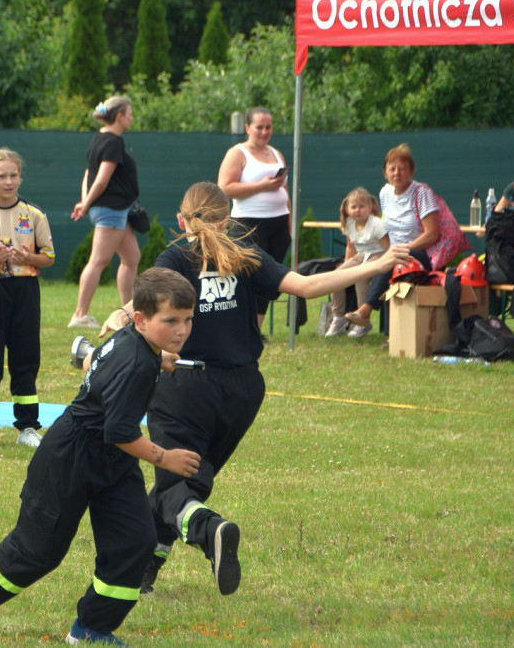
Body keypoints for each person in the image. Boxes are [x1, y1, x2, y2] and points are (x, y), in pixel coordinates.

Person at [97, 182, 409, 596]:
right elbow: (307, 286)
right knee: (190, 481)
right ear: (228, 219)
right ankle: (144, 572)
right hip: (244, 390)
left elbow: (151, 307)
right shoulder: (246, 253)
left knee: (175, 486)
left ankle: (211, 532)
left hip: (187, 383)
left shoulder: (174, 257)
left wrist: (119, 317)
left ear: (180, 221)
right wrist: (377, 264)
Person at [0, 267, 201, 646]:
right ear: (140, 319)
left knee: (135, 543)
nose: (182, 330)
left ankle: (91, 629)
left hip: (113, 464)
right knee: (40, 552)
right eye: (171, 321)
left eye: (187, 319)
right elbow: (119, 431)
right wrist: (165, 458)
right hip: (69, 458)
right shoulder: (136, 361)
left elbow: (98, 362)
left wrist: (161, 357)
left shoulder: (137, 343)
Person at [0, 149, 55, 449]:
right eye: (1, 176)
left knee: (26, 358)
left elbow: (48, 258)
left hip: (25, 291)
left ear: (21, 177)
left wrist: (28, 256)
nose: (8, 182)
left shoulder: (34, 214)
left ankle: (28, 426)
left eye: (13, 175)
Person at [344, 144, 438, 335]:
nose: (397, 173)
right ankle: (390, 333)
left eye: (402, 168)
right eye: (392, 168)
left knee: (391, 259)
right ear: (385, 173)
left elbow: (431, 234)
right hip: (394, 252)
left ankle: (365, 310)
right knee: (385, 261)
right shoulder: (385, 193)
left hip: (422, 254)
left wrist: (402, 248)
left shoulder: (422, 192)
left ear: (411, 171)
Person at [68, 96, 141, 329]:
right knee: (99, 261)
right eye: (129, 113)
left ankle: (128, 310)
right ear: (119, 116)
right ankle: (80, 315)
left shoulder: (99, 139)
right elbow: (100, 180)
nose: (131, 117)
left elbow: (87, 176)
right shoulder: (113, 142)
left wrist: (84, 201)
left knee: (131, 259)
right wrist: (87, 203)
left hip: (116, 210)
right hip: (111, 209)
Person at [217, 107, 290, 332]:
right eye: (259, 127)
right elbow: (225, 188)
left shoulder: (277, 153)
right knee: (248, 275)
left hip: (278, 223)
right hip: (248, 224)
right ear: (248, 128)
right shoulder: (238, 153)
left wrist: (289, 224)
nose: (264, 131)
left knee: (270, 278)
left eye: (268, 127)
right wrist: (262, 186)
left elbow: (285, 191)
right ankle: (241, 327)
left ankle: (256, 330)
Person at [325, 187, 390, 338]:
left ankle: (363, 322)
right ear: (347, 209)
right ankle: (338, 317)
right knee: (336, 275)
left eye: (362, 206)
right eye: (353, 207)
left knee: (360, 277)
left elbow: (388, 248)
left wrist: (385, 264)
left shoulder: (376, 224)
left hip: (378, 255)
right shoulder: (349, 223)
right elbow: (351, 246)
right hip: (361, 255)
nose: (357, 210)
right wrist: (346, 269)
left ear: (370, 207)